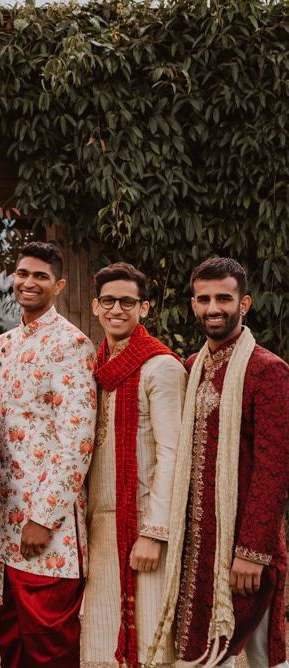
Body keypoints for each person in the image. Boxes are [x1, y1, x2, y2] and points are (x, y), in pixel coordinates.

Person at [149, 257, 289, 668]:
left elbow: (274, 468)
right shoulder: (192, 368)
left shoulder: (268, 371)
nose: (214, 308)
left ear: (244, 303)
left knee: (263, 653)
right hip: (200, 545)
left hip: (249, 547)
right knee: (207, 652)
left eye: (224, 298)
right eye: (204, 299)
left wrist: (252, 551)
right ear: (193, 304)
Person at [0, 241, 97, 667]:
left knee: (49, 644)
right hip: (1, 519)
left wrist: (43, 517)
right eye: (23, 273)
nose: (29, 282)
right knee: (4, 626)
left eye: (40, 276)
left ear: (59, 285)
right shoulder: (4, 344)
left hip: (46, 526)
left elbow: (77, 440)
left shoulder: (72, 345)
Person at [80, 262, 186, 667]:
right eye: (109, 300)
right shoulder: (98, 368)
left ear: (144, 308)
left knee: (149, 647)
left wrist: (155, 534)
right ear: (95, 306)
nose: (117, 309)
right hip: (101, 527)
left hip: (142, 526)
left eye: (128, 301)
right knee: (104, 643)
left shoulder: (161, 366)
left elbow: (173, 455)